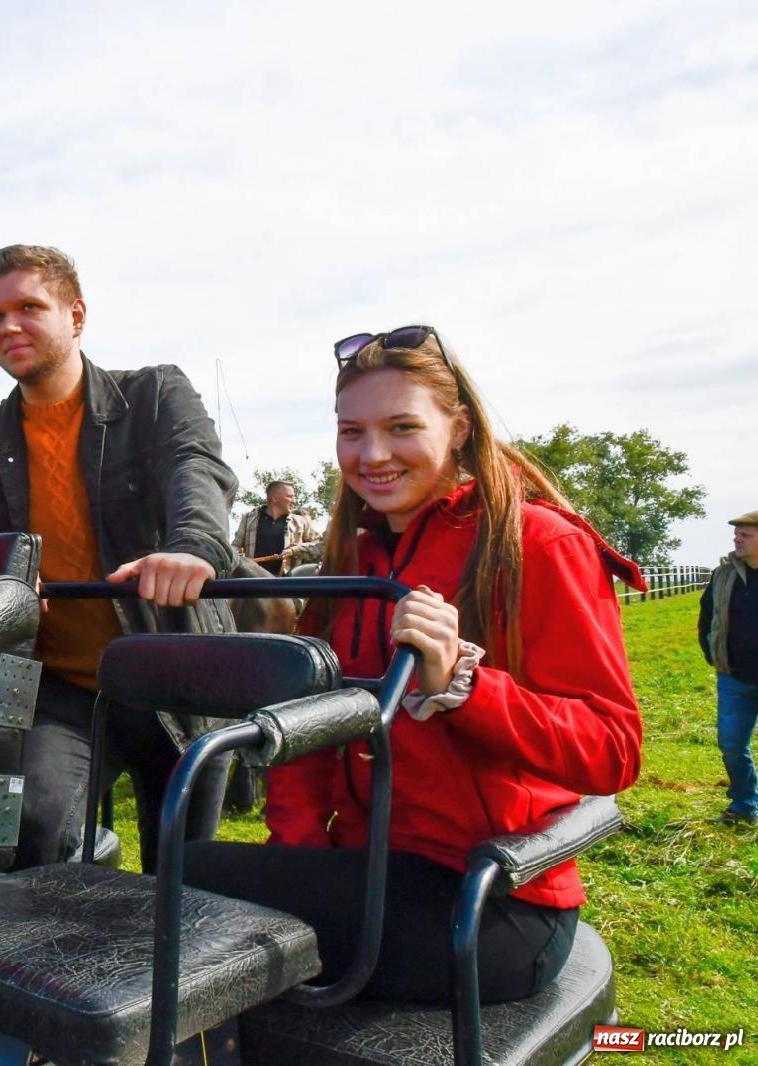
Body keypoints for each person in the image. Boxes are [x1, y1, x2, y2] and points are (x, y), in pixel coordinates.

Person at [184, 325, 644, 1003]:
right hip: (368, 870)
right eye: (351, 432)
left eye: (402, 427)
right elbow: (308, 729)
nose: (372, 454)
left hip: (492, 898)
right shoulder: (351, 561)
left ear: (457, 428)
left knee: (182, 909)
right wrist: (300, 862)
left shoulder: (536, 544)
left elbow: (613, 750)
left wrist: (466, 685)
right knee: (182, 877)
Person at [0, 243, 245, 873]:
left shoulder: (155, 394)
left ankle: (164, 964)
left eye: (28, 307)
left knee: (184, 873)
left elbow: (197, 467)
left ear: (76, 315)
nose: (9, 326)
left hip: (173, 668)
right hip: (60, 687)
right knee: (34, 824)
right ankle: (70, 951)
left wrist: (192, 548)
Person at [698, 510, 758, 825]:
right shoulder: (724, 575)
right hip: (734, 677)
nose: (737, 539)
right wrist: (712, 653)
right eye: (736, 534)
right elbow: (707, 614)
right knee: (732, 744)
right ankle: (744, 806)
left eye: (745, 535)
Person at [232, 480, 323, 574]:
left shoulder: (300, 522)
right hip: (254, 581)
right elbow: (235, 546)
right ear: (275, 498)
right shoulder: (248, 519)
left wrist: (295, 550)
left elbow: (320, 545)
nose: (294, 501)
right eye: (289, 496)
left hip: (285, 584)